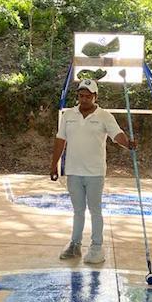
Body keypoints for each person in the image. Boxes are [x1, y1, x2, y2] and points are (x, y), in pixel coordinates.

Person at [50, 79, 136, 264]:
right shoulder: (68, 115)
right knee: (78, 211)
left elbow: (116, 135)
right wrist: (54, 165)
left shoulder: (104, 116)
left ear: (95, 96)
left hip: (95, 172)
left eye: (88, 96)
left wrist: (127, 144)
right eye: (81, 95)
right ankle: (75, 245)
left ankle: (97, 247)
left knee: (95, 210)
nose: (84, 99)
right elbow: (60, 140)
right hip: (73, 170)